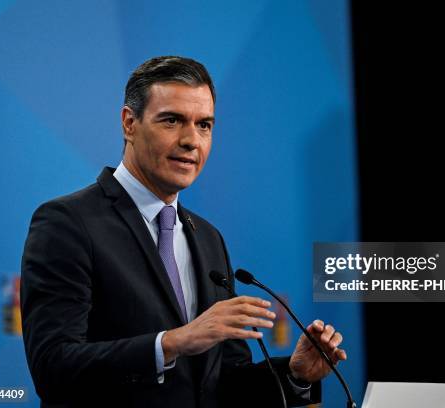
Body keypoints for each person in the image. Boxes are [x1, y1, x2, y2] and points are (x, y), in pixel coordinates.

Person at [21, 56, 347, 407]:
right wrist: (173, 342)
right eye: (172, 120)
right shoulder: (68, 223)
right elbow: (52, 367)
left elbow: (224, 381)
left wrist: (296, 375)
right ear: (129, 123)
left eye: (204, 125)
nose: (192, 140)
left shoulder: (208, 239)